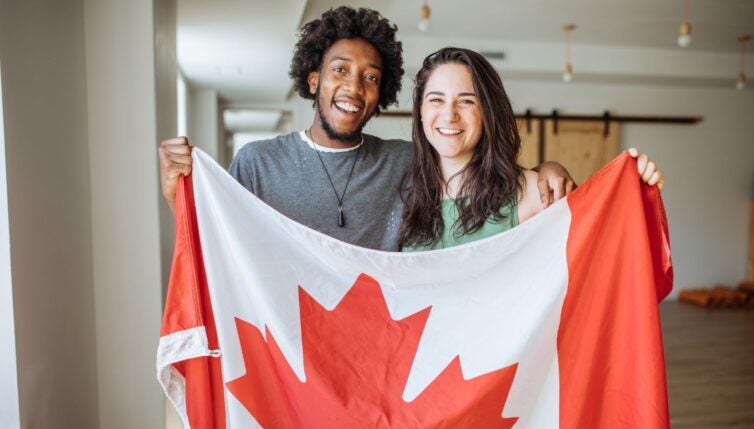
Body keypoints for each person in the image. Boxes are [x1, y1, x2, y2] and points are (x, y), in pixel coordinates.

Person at [158, 7, 576, 251]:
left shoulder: (405, 162)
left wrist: (549, 167)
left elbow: (472, 168)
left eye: (371, 77)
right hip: (288, 357)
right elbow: (215, 248)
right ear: (313, 79)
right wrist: (179, 198)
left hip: (379, 360)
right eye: (340, 70)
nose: (354, 88)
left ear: (383, 93)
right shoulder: (258, 163)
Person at [400, 48, 663, 251]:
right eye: (436, 99)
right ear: (421, 111)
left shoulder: (533, 192)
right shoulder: (399, 190)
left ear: (488, 113)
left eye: (466, 101)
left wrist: (637, 191)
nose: (449, 114)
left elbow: (607, 242)